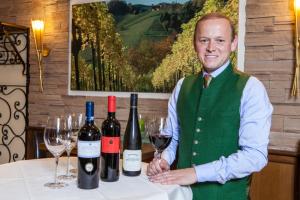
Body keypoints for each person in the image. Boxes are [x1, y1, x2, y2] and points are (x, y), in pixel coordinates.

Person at [146, 12, 273, 200]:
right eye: (204, 40)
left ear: (233, 43)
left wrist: (196, 173)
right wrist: (163, 160)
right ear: (194, 43)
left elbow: (255, 156)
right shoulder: (182, 86)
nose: (211, 48)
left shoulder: (251, 88)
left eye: (220, 40)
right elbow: (173, 139)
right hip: (180, 194)